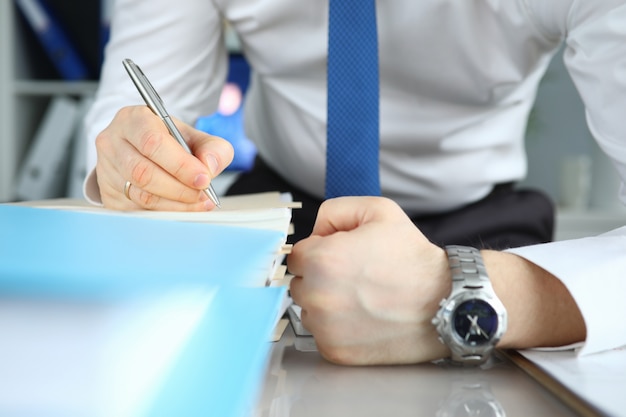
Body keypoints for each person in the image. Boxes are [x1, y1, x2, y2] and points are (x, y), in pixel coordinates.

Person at [84, 0, 626, 365]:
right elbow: (133, 117)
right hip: (281, 217)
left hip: (484, 242)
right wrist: (134, 162)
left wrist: (465, 293)